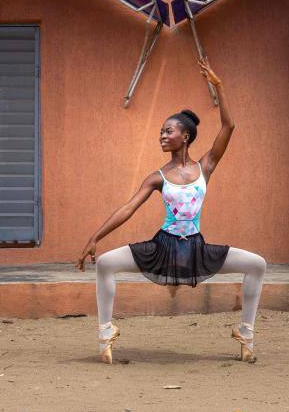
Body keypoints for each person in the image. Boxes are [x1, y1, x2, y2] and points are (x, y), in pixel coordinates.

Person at [76, 59, 267, 365]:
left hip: (195, 249)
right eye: (161, 132)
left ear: (185, 136)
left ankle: (245, 332)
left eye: (168, 131)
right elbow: (128, 207)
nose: (162, 136)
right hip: (163, 248)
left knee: (257, 265)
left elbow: (229, 126)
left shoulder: (205, 166)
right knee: (106, 264)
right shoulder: (157, 177)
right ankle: (105, 332)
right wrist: (94, 237)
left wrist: (218, 86)